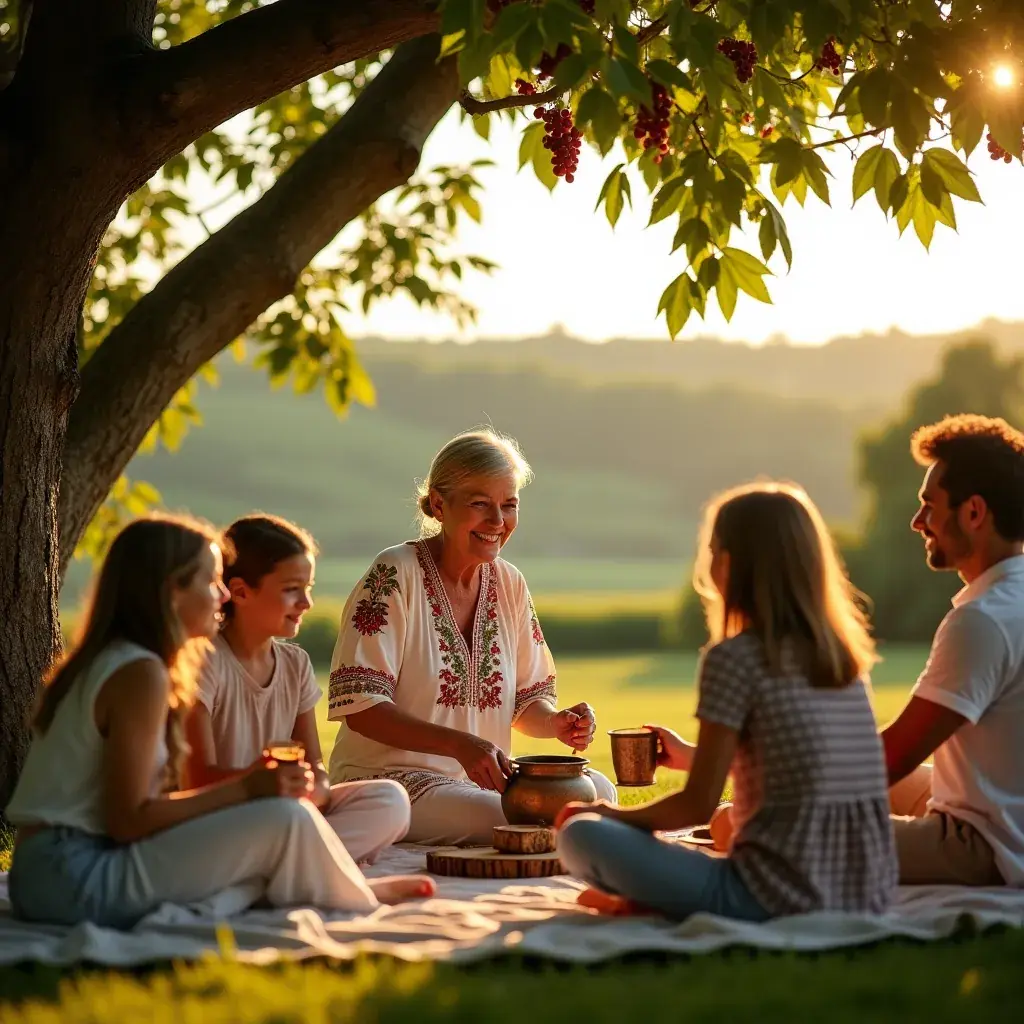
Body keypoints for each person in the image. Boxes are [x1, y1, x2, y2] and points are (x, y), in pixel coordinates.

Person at [5, 514, 433, 929]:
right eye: (211, 582)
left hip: (61, 868)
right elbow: (128, 821)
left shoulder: (129, 662)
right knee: (284, 821)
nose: (223, 595)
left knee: (297, 817)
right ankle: (350, 894)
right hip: (69, 875)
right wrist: (249, 788)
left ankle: (295, 883)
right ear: (172, 592)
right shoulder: (140, 674)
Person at [556, 483, 898, 921]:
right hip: (866, 893)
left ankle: (648, 900)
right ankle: (649, 898)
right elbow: (797, 759)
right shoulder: (843, 660)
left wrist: (603, 812)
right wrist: (688, 758)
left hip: (769, 899)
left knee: (581, 835)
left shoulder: (735, 658)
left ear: (731, 564)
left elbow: (695, 806)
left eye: (713, 550)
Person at [326, 428, 617, 845]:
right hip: (389, 782)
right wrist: (459, 745)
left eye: (509, 505)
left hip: (479, 784)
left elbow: (524, 704)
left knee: (599, 792)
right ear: (439, 505)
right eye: (480, 504)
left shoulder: (510, 583)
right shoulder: (394, 572)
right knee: (510, 815)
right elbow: (361, 707)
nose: (497, 522)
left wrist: (555, 722)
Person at [185, 514, 411, 864]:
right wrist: (264, 784)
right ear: (241, 592)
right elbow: (196, 779)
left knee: (390, 800)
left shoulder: (295, 664)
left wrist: (310, 787)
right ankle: (304, 865)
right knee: (287, 821)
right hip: (223, 818)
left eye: (308, 588)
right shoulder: (203, 662)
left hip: (285, 812)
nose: (306, 603)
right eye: (292, 589)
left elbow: (315, 767)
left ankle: (285, 865)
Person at [883, 414, 1024, 886]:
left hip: (986, 845)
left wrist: (775, 805)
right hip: (998, 813)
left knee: (750, 828)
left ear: (974, 512)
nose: (917, 521)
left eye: (929, 505)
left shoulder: (982, 620)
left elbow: (888, 759)